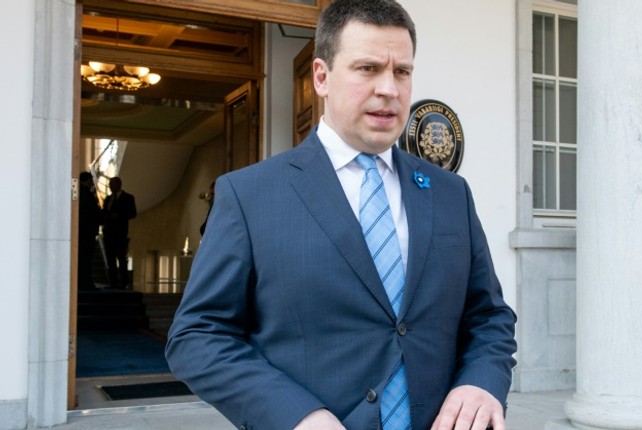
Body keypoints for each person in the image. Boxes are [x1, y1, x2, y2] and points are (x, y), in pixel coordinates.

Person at [165, 1, 517, 429]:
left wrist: (481, 383)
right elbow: (197, 336)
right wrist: (296, 415)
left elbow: (489, 316)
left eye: (402, 71)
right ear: (321, 77)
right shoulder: (249, 194)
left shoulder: (449, 192)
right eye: (368, 68)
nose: (389, 88)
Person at [102, 176, 137, 289]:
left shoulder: (128, 198)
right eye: (110, 185)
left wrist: (119, 216)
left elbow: (132, 213)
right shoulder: (108, 199)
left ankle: (123, 282)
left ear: (119, 184)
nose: (111, 187)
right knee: (110, 259)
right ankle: (113, 282)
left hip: (120, 233)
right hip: (109, 233)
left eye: (113, 184)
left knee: (121, 258)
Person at [78, 171, 101, 290]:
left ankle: (84, 282)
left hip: (83, 230)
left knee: (84, 258)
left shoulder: (81, 193)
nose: (92, 182)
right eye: (91, 180)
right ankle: (86, 283)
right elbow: (93, 212)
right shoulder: (86, 194)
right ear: (86, 180)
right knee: (86, 258)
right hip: (87, 231)